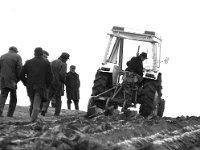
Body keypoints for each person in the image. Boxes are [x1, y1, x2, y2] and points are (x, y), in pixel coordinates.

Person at [20, 47, 53, 122]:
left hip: (30, 86)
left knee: (32, 103)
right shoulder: (46, 63)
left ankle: (31, 119)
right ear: (42, 53)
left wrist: (26, 82)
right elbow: (50, 77)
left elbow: (21, 75)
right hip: (41, 86)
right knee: (36, 105)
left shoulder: (28, 62)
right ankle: (32, 121)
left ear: (34, 53)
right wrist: (46, 85)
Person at [0, 46, 22, 117]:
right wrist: (18, 79)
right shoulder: (17, 56)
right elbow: (19, 68)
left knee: (3, 95)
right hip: (12, 80)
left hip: (3, 79)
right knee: (13, 97)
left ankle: (0, 111)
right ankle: (10, 114)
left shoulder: (2, 56)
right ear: (15, 51)